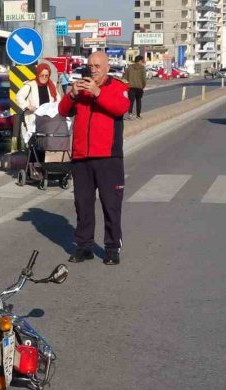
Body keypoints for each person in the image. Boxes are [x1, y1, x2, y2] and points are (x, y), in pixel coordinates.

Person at [58, 51, 130, 266]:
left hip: (108, 157)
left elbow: (121, 108)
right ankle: (84, 246)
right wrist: (71, 94)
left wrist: (98, 93)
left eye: (98, 65)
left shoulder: (118, 87)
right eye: (90, 65)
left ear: (107, 67)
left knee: (111, 204)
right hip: (81, 156)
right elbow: (63, 111)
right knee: (83, 204)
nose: (93, 69)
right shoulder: (80, 87)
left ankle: (111, 248)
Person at [16, 62, 61, 163]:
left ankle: (41, 168)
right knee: (34, 145)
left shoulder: (51, 85)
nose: (44, 77)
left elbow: (58, 100)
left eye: (46, 75)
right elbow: (19, 97)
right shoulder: (30, 85)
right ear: (38, 74)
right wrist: (27, 106)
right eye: (42, 75)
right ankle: (32, 170)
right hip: (33, 119)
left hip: (47, 120)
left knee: (43, 145)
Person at [123, 56, 147, 120]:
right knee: (138, 101)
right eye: (142, 61)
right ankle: (138, 115)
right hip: (139, 87)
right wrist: (143, 86)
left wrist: (127, 85)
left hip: (131, 87)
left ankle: (130, 114)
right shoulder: (142, 68)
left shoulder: (129, 67)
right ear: (139, 61)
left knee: (130, 101)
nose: (142, 62)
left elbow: (125, 77)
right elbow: (144, 79)